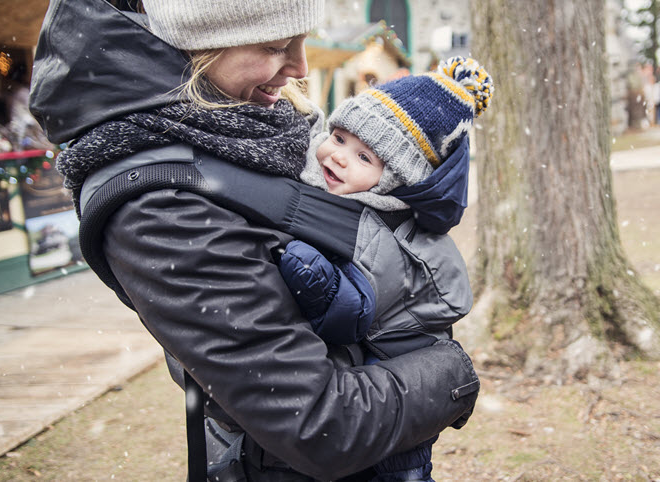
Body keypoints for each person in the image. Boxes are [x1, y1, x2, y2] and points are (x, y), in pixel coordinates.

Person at [28, 1, 479, 481]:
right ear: (202, 43)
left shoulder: (247, 129)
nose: (300, 67)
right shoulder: (159, 206)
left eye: (302, 41)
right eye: (275, 46)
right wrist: (453, 373)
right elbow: (323, 426)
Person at [278, 57, 492, 482]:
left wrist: (309, 271)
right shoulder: (330, 190)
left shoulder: (387, 233)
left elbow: (351, 313)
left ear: (391, 181)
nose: (337, 157)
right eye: (337, 138)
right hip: (370, 393)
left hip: (391, 401)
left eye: (362, 157)